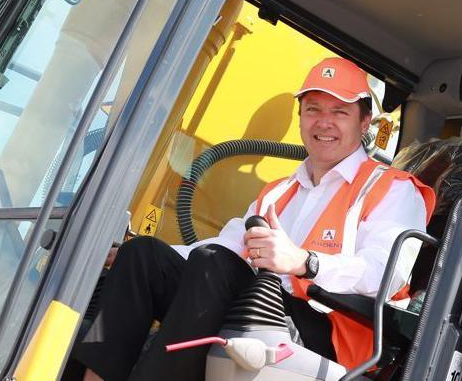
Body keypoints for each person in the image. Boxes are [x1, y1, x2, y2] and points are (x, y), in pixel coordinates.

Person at [65, 57, 435, 381]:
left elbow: (386, 275)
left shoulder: (394, 190)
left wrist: (305, 262)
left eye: (339, 112)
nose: (324, 123)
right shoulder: (278, 190)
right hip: (262, 305)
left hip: (335, 332)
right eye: (313, 110)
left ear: (365, 120)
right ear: (300, 118)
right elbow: (223, 247)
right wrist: (141, 252)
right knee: (145, 256)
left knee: (217, 267)